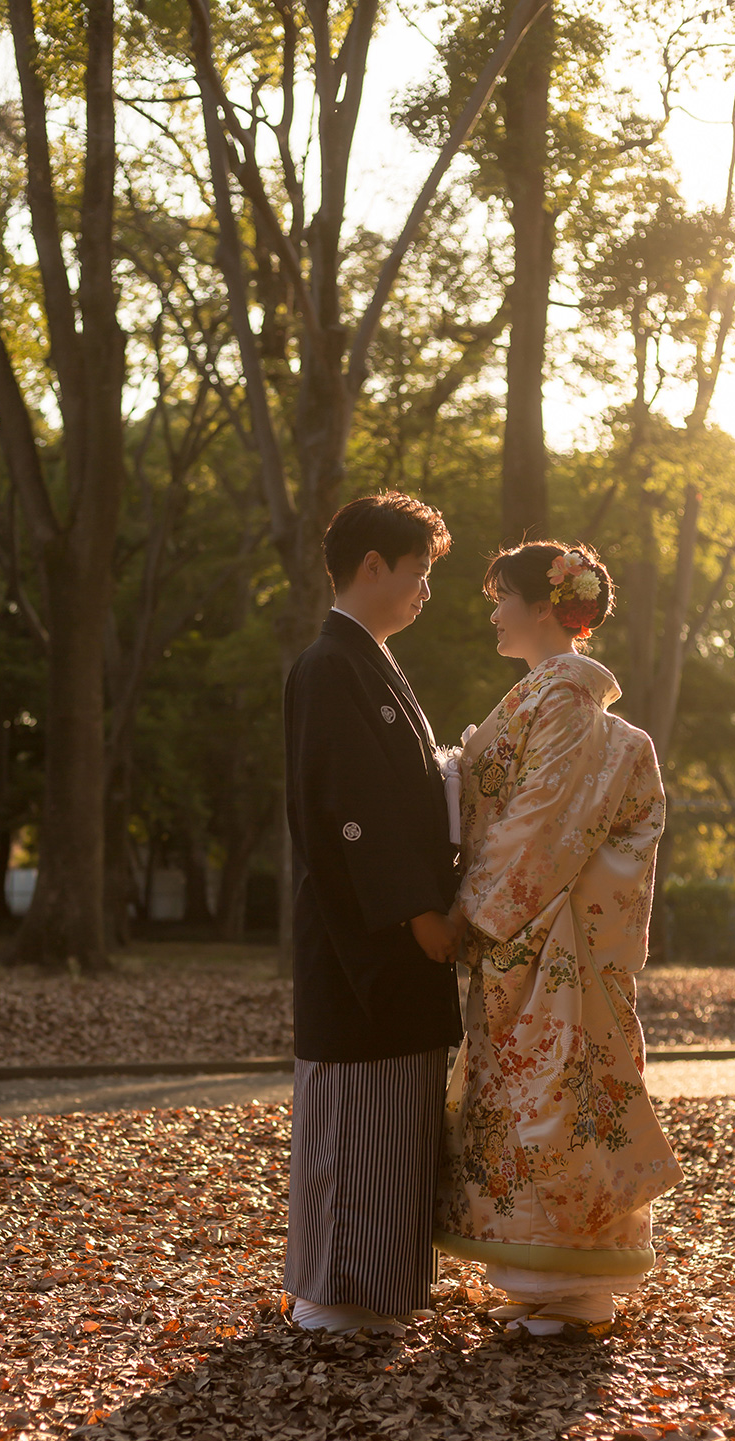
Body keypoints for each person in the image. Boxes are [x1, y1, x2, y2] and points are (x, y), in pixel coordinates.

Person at [434, 541, 681, 1339]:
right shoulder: (546, 695)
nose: (492, 610)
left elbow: (544, 824)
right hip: (533, 937)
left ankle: (569, 1289)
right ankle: (548, 1286)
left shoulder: (567, 699)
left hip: (546, 940)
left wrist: (472, 912)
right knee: (533, 1099)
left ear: (545, 604)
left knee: (555, 1099)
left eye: (500, 595)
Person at [283, 491, 463, 1334]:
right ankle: (336, 1293)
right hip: (366, 936)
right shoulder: (330, 666)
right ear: (371, 567)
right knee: (356, 1114)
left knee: (393, 1114)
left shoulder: (372, 663)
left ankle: (374, 1290)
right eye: (417, 573)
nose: (425, 591)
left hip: (393, 932)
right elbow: (352, 811)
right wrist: (419, 913)